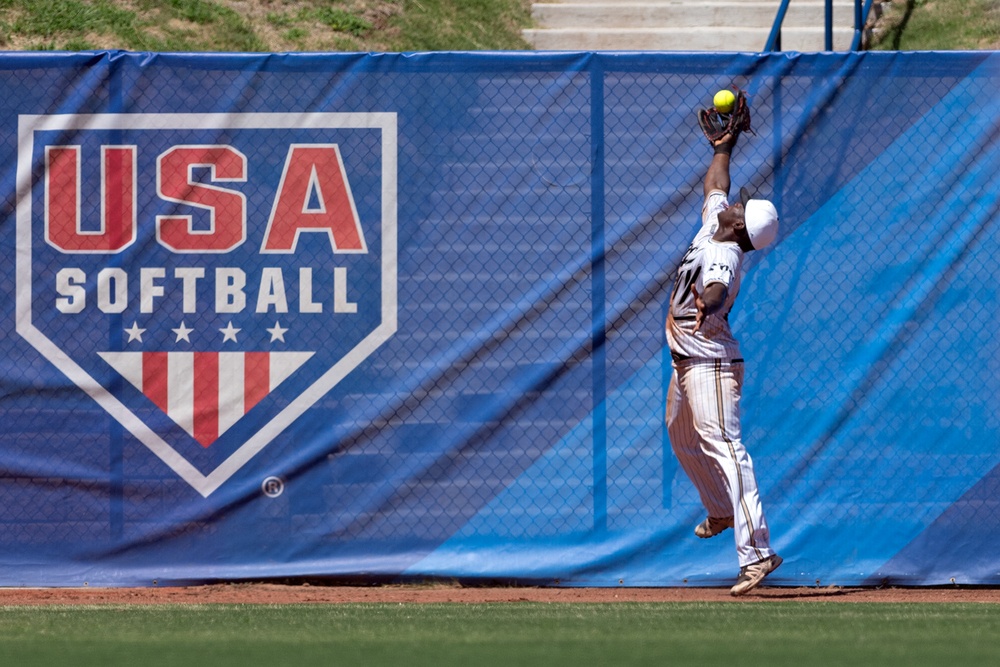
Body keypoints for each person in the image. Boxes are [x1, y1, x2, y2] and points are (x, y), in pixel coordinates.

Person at [665, 125, 781, 596]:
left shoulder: (725, 254)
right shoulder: (718, 221)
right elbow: (717, 184)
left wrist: (707, 303)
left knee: (727, 447)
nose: (735, 201)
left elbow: (714, 288)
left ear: (741, 227)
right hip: (687, 359)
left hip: (710, 364)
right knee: (682, 435)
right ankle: (720, 508)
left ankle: (756, 553)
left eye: (741, 207)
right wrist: (723, 148)